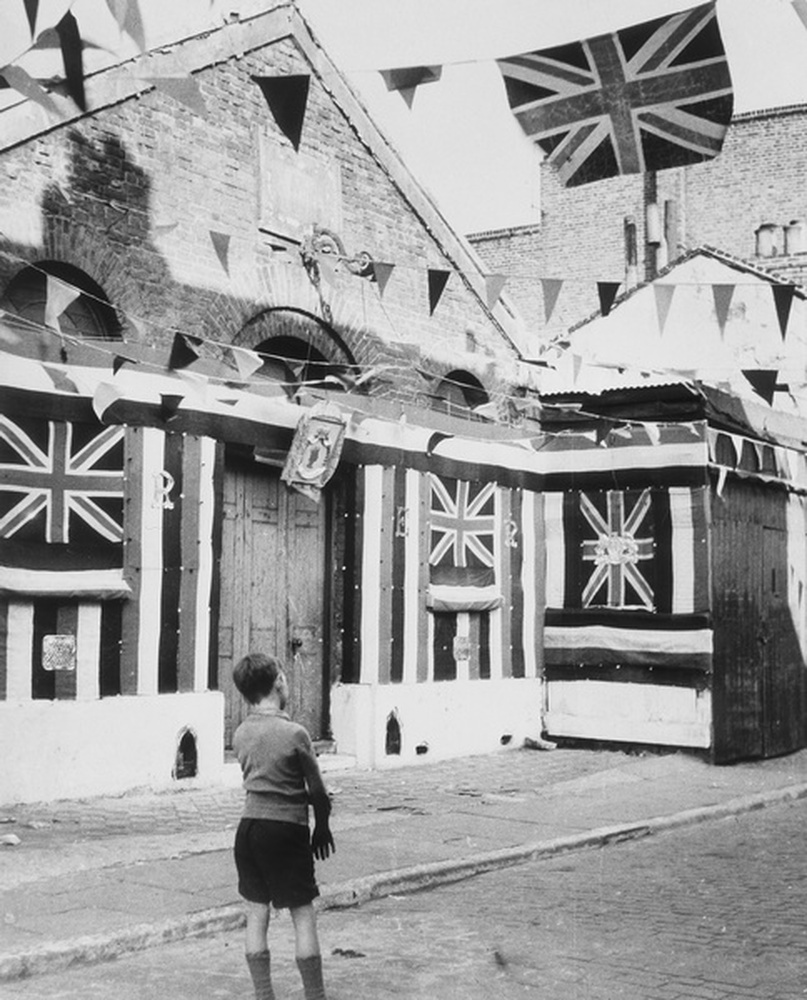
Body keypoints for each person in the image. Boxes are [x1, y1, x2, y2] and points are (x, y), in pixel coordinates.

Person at [231, 652, 335, 1000]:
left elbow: (265, 782)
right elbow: (318, 792)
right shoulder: (296, 733)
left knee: (256, 912)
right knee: (302, 913)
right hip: (286, 831)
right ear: (279, 683)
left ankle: (264, 994)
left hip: (248, 831)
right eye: (285, 677)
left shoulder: (241, 733)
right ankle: (315, 995)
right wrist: (322, 827)